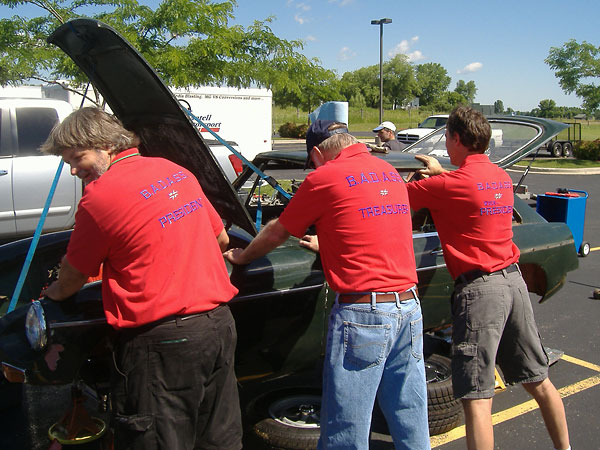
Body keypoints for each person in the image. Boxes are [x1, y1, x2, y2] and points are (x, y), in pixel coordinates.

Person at [41, 107, 242, 450]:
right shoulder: (174, 170)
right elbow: (221, 239)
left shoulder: (99, 196)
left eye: (78, 158)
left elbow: (73, 278)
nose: (73, 170)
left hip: (161, 342)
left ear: (105, 145)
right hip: (218, 327)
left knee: (159, 440)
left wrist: (52, 295)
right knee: (218, 438)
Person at [224, 120, 429, 449]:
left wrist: (244, 256)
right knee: (409, 410)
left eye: (311, 162)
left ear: (318, 153)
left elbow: (279, 230)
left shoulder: (325, 177)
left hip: (364, 314)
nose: (311, 169)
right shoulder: (388, 171)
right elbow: (373, 221)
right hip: (408, 307)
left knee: (346, 425)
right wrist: (332, 241)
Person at [406, 106, 570, 450]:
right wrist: (442, 173)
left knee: (476, 397)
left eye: (446, 140)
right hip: (513, 283)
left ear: (454, 138)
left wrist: (431, 176)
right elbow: (466, 183)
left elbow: (396, 198)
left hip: (480, 293)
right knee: (538, 380)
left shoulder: (447, 184)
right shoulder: (500, 177)